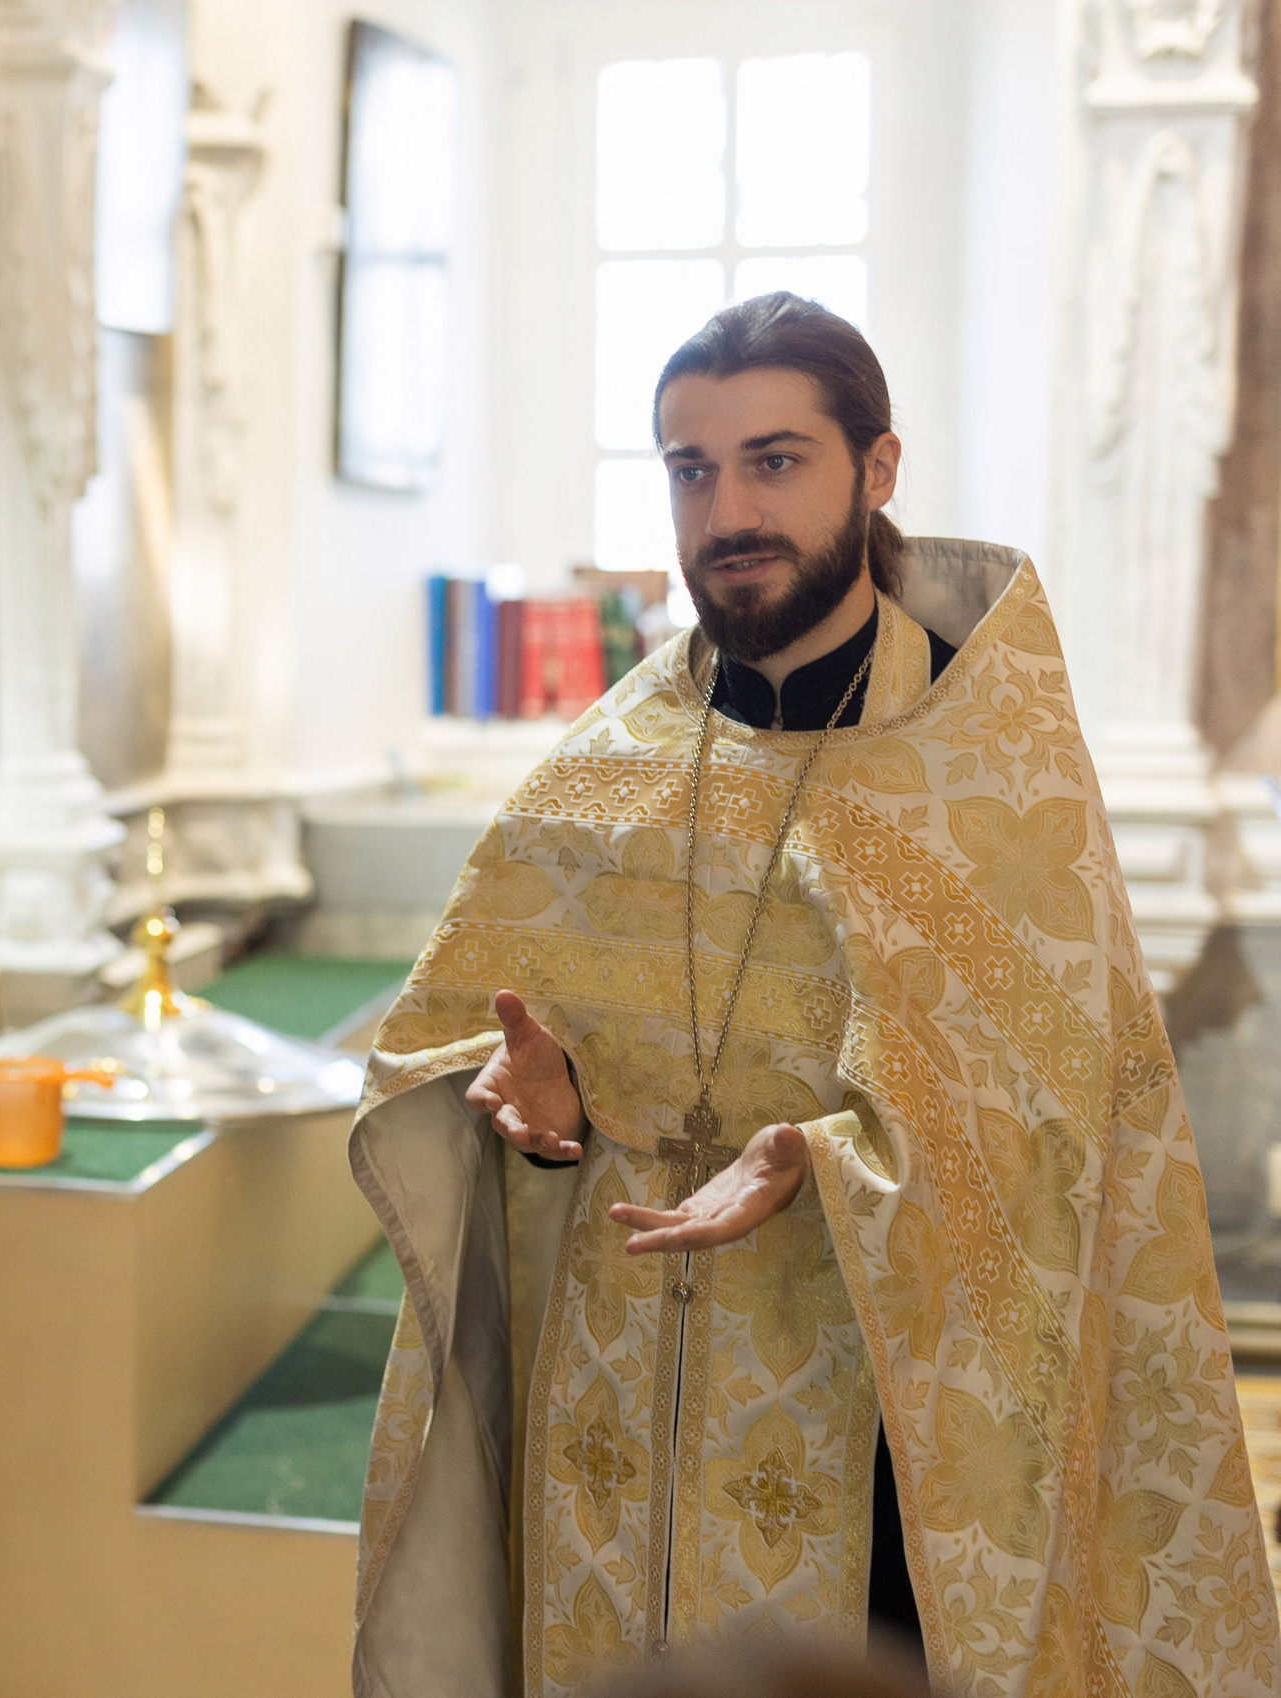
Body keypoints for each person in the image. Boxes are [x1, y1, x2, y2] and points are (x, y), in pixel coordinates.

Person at [347, 294, 1279, 1696]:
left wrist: (832, 1159)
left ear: (878, 468)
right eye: (691, 467)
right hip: (609, 1403)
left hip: (868, 1395)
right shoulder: (603, 772)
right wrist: (526, 1109)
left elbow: (1065, 1124)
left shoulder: (981, 775)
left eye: (775, 460)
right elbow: (449, 1048)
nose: (728, 508)